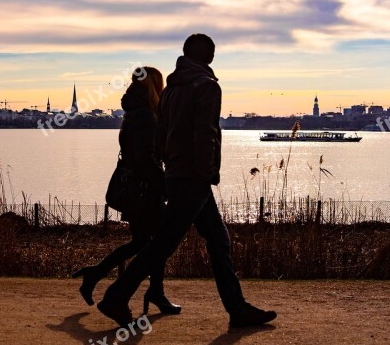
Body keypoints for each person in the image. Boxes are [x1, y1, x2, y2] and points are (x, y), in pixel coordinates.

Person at [98, 34, 277, 328]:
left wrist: (171, 170)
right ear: (209, 56)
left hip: (181, 175)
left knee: (217, 241)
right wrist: (205, 173)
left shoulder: (171, 90)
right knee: (164, 244)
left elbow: (161, 135)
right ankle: (116, 297)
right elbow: (205, 132)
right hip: (195, 177)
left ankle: (237, 309)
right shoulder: (207, 86)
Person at [73, 67, 180, 315]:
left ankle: (97, 275)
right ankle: (153, 292)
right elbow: (146, 159)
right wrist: (166, 186)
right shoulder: (144, 116)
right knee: (156, 243)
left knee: (143, 242)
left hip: (135, 190)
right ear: (155, 86)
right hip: (145, 192)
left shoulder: (134, 112)